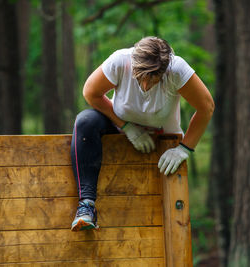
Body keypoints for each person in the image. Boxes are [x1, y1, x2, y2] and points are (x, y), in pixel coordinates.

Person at [70, 36, 214, 231]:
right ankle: (86, 206)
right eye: (141, 77)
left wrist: (184, 148)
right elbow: (90, 92)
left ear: (164, 70)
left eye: (153, 78)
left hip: (162, 140)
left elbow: (206, 107)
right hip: (121, 128)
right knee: (85, 121)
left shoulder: (177, 69)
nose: (145, 85)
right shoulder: (120, 61)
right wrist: (127, 127)